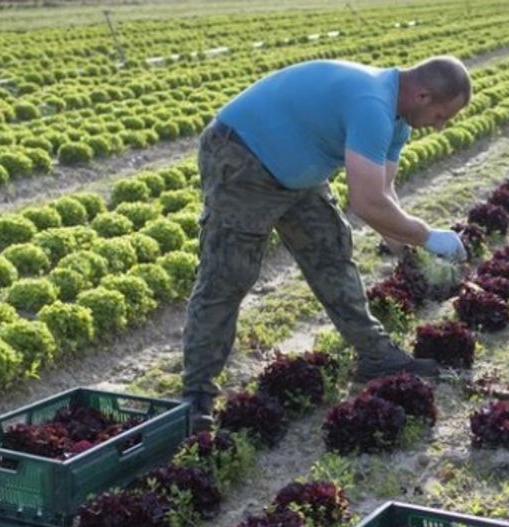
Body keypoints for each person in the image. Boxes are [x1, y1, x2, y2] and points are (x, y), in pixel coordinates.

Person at [180, 57, 471, 431]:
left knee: (332, 255)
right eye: (440, 115)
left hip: (298, 173)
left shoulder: (399, 120)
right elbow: (365, 203)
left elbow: (383, 193)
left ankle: (376, 355)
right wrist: (428, 236)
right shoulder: (373, 105)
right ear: (423, 94)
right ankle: (196, 394)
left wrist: (406, 249)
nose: (440, 125)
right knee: (228, 274)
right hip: (243, 158)